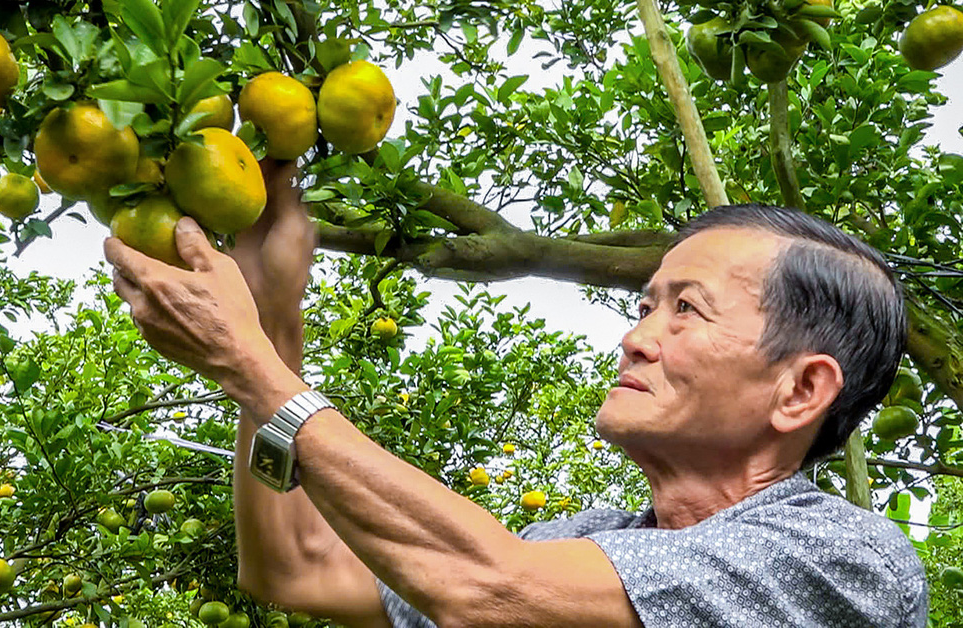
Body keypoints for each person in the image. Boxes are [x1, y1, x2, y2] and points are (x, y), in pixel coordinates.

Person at [104, 161, 928, 627]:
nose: (636, 335)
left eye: (687, 310)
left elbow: (490, 589)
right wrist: (275, 318)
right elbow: (299, 567)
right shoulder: (585, 540)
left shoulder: (844, 560)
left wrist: (252, 367)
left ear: (800, 390)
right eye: (645, 304)